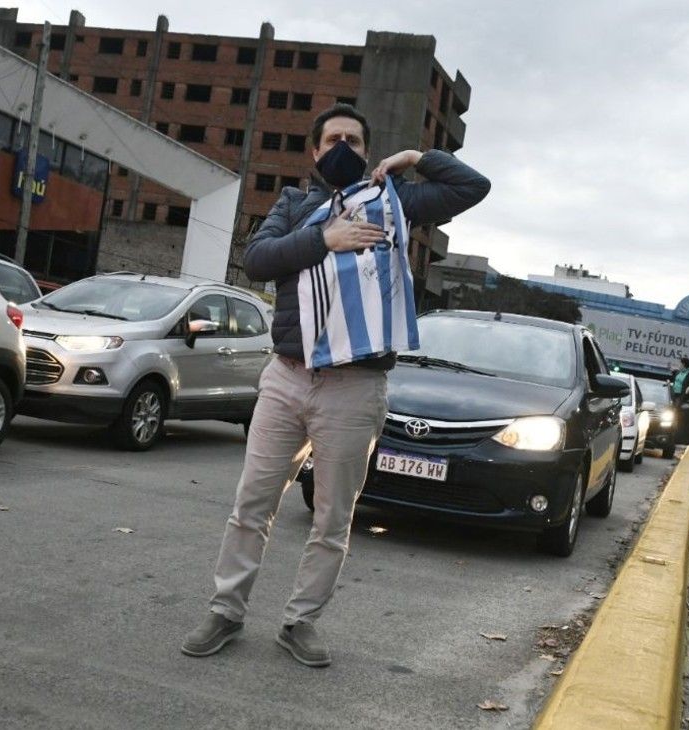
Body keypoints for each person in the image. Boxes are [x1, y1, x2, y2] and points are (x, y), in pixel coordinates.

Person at [181, 104, 490, 667]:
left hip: (355, 386)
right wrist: (327, 237)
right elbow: (257, 261)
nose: (342, 145)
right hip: (287, 377)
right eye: (332, 139)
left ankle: (300, 622)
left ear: (366, 151)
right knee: (251, 502)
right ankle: (225, 610)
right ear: (316, 152)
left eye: (354, 138)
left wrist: (417, 158)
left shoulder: (396, 200)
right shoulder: (296, 206)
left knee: (332, 518)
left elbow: (472, 186)